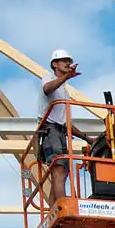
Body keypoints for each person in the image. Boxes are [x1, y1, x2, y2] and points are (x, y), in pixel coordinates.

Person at [37, 49, 88, 202]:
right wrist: (67, 76)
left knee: (61, 173)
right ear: (55, 64)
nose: (68, 63)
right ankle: (63, 207)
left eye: (69, 61)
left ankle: (54, 210)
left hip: (59, 132)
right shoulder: (49, 77)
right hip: (50, 131)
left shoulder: (64, 91)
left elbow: (65, 123)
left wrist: (88, 138)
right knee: (58, 170)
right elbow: (47, 88)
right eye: (64, 60)